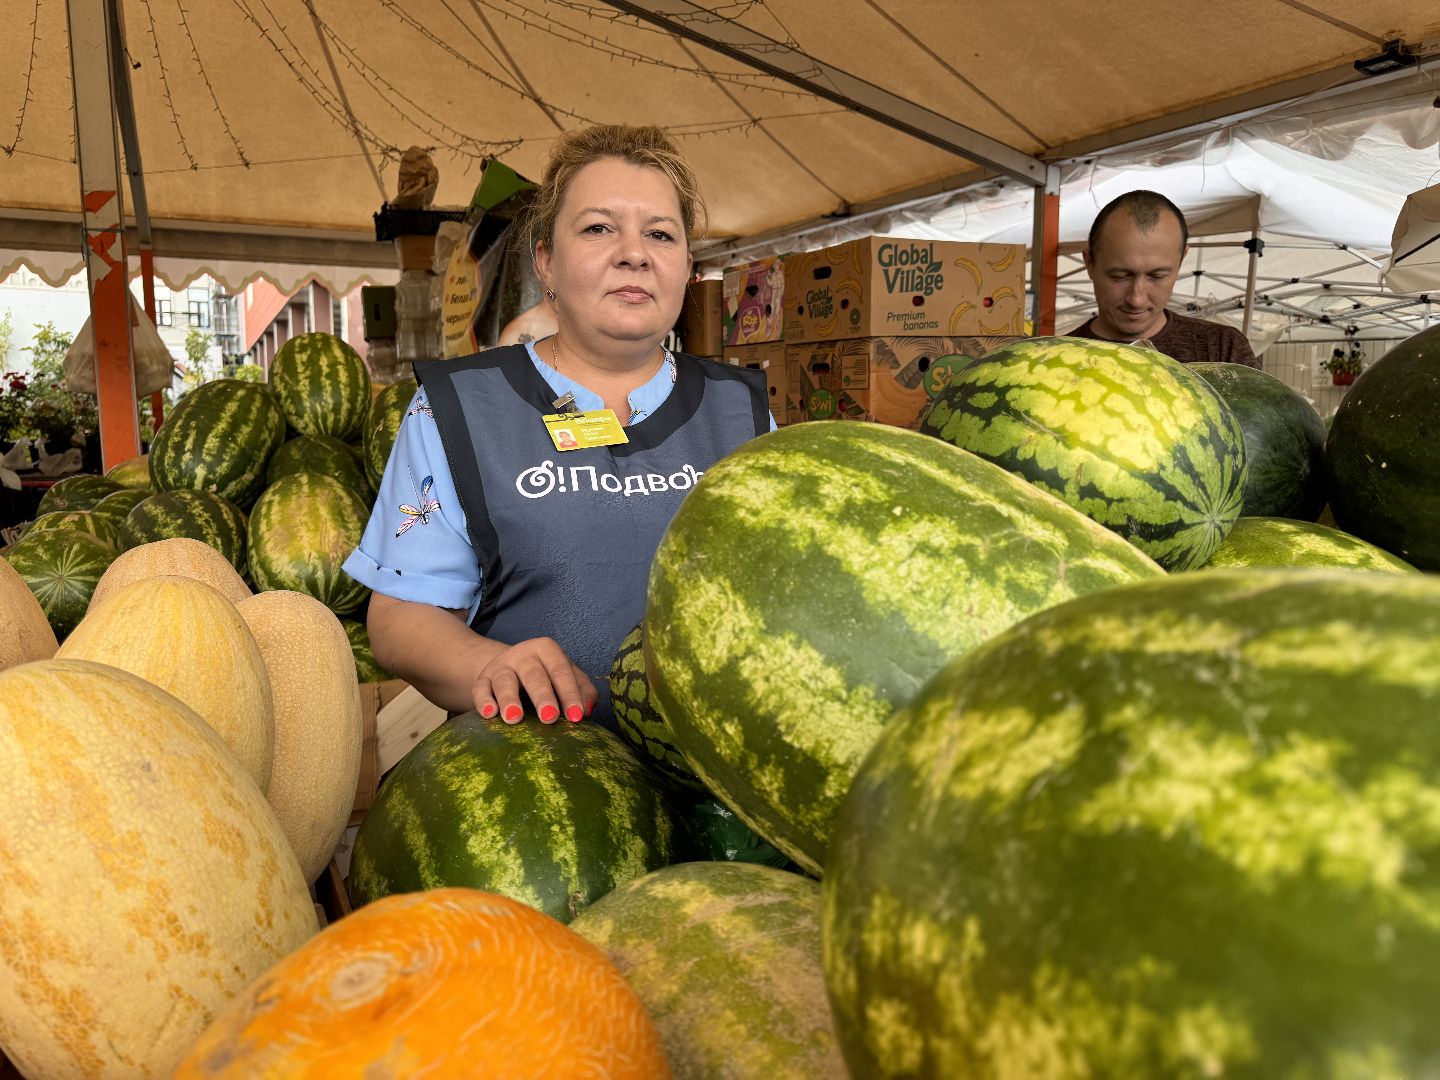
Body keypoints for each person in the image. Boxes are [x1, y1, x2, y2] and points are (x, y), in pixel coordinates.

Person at [343, 125, 773, 732]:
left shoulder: (747, 415)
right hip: (541, 775)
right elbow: (399, 616)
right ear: (545, 261)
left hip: (718, 780)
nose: (634, 252)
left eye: (660, 234)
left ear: (686, 268)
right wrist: (489, 665)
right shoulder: (456, 410)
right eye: (599, 228)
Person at [1071, 190, 1260, 368]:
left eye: (1156, 276)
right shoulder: (1051, 358)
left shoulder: (1223, 351)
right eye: (1119, 276)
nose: (1136, 300)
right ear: (1090, 263)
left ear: (1181, 260)